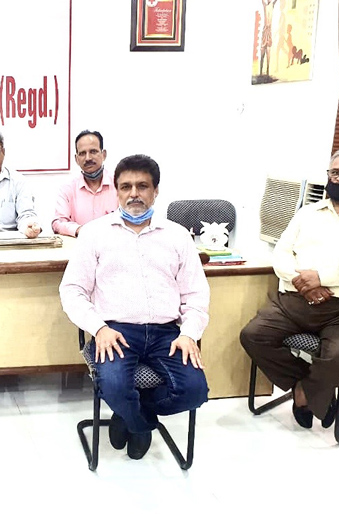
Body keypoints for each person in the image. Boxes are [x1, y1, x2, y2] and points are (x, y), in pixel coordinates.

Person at [59, 154, 209, 459]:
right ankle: (140, 426)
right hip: (115, 332)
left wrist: (189, 334)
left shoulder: (178, 236)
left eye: (143, 186)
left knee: (195, 392)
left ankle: (132, 415)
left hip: (168, 334)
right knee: (113, 386)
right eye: (126, 186)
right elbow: (72, 290)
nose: (134, 193)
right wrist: (98, 328)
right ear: (116, 191)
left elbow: (196, 294)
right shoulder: (95, 233)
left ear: (156, 191)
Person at [240, 148, 339, 429]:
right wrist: (304, 283)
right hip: (296, 300)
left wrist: (322, 278)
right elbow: (282, 254)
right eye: (335, 172)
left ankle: (305, 394)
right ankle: (312, 387)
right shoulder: (307, 213)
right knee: (253, 335)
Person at [52, 130, 118, 236]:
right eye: (82, 153)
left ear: (104, 155)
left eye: (93, 151)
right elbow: (58, 223)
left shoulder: (119, 185)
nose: (88, 158)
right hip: (79, 243)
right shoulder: (68, 189)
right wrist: (79, 230)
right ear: (76, 159)